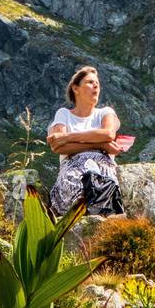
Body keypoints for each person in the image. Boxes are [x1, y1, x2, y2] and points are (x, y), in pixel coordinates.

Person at [46, 65, 126, 216]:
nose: (96, 85)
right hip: (72, 167)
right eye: (90, 82)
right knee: (76, 183)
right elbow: (58, 147)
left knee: (102, 179)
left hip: (103, 165)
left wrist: (68, 137)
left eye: (97, 83)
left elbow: (108, 133)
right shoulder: (63, 114)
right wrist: (101, 145)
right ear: (76, 88)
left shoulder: (105, 113)